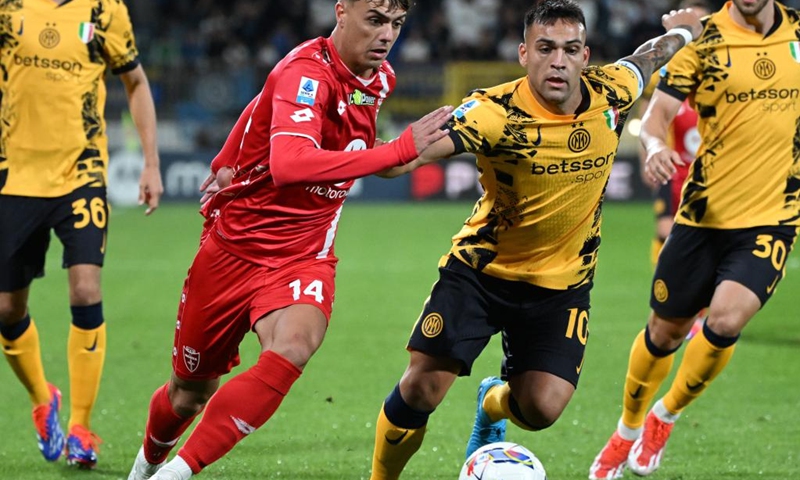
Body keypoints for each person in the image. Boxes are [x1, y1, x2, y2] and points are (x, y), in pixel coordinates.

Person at [367, 2, 703, 479]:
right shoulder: (493, 113)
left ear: (586, 55)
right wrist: (368, 155)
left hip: (562, 285)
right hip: (482, 272)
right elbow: (405, 159)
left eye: (570, 50)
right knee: (422, 388)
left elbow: (649, 56)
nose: (558, 61)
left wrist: (685, 35)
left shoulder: (613, 91)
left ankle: (491, 405)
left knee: (542, 409)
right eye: (545, 48)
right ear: (524, 54)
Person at [125, 1, 454, 479]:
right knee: (187, 393)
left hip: (305, 253)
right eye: (376, 20)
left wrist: (228, 153)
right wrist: (397, 147)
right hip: (235, 250)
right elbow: (291, 163)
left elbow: (373, 156)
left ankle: (178, 473)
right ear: (342, 11)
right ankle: (144, 468)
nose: (387, 36)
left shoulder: (379, 81)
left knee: (295, 344)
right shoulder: (307, 72)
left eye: (397, 24)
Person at [589, 0, 800, 478]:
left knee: (725, 319)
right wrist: (655, 146)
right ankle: (626, 429)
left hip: (774, 216)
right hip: (704, 216)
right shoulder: (702, 38)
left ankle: (666, 415)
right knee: (663, 333)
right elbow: (657, 116)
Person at [0, 0, 163, 469]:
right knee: (8, 308)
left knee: (86, 287)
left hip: (81, 173)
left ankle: (81, 426)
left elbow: (135, 81)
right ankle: (42, 396)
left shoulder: (105, 9)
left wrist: (150, 163)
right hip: (15, 176)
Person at [639, 0, 713, 342]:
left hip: (713, 178)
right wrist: (648, 156)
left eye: (699, 21)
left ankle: (698, 311)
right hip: (674, 173)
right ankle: (670, 303)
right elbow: (650, 119)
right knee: (667, 232)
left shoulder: (720, 73)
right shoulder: (672, 71)